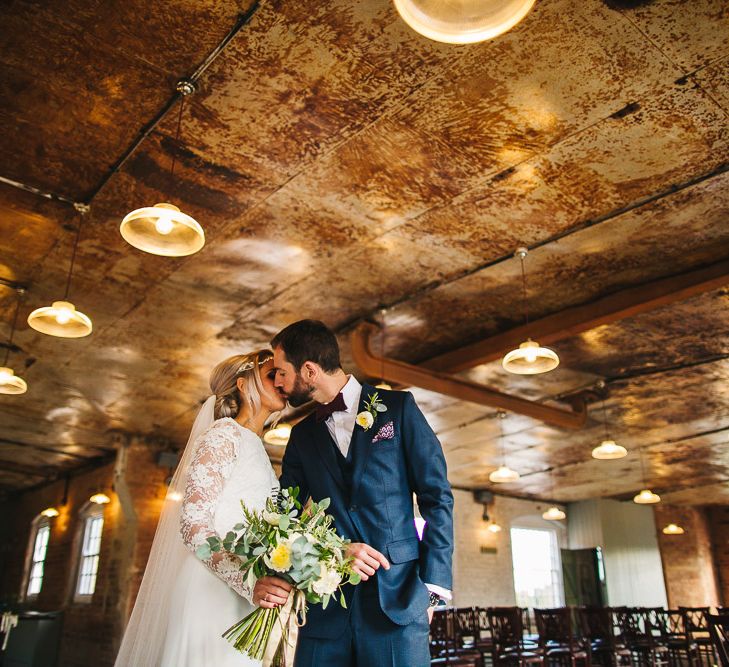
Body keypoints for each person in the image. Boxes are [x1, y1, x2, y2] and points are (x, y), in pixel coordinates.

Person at [253, 319, 454, 667]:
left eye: (283, 372)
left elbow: (437, 497)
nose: (279, 381)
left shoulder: (399, 409)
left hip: (399, 602)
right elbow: (285, 515)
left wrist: (433, 590)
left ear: (310, 370)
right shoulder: (301, 438)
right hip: (326, 610)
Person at [114, 350, 285, 667]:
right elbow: (194, 526)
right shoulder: (223, 435)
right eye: (272, 373)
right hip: (211, 589)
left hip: (247, 596)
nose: (282, 380)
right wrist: (248, 583)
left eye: (283, 373)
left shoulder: (257, 447)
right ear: (244, 384)